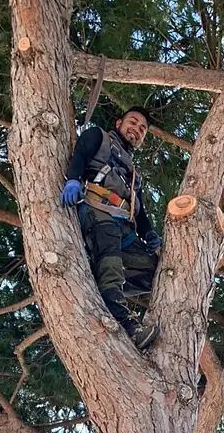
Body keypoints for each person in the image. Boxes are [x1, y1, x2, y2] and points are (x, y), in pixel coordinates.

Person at [61, 107, 162, 350]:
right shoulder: (100, 137)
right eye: (133, 122)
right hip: (98, 212)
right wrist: (73, 179)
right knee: (111, 265)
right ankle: (127, 327)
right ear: (118, 123)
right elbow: (80, 155)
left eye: (142, 129)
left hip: (123, 226)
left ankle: (104, 286)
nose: (136, 130)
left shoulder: (133, 173)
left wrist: (149, 234)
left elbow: (141, 210)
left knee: (154, 273)